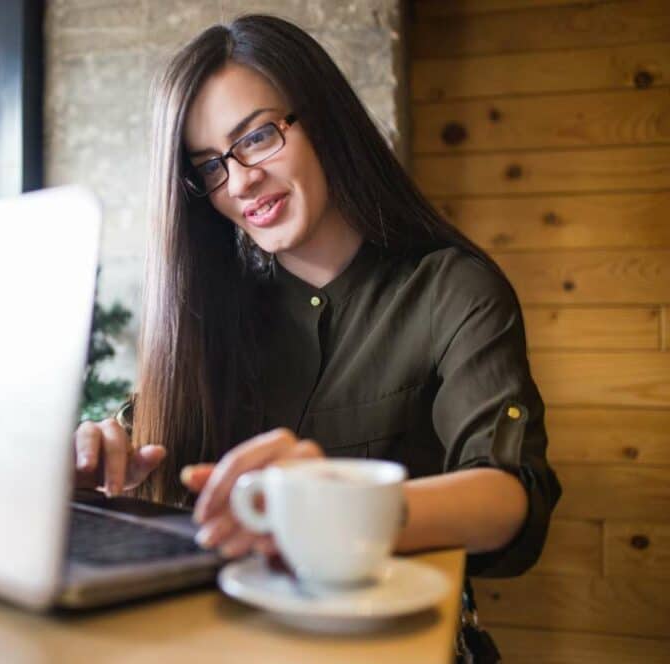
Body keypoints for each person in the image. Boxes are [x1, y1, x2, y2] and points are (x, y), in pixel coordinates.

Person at [73, 14, 560, 579]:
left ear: (325, 120)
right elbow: (131, 438)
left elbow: (513, 498)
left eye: (256, 137)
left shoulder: (453, 291)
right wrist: (97, 451)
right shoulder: (211, 312)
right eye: (209, 166)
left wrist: (346, 506)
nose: (238, 183)